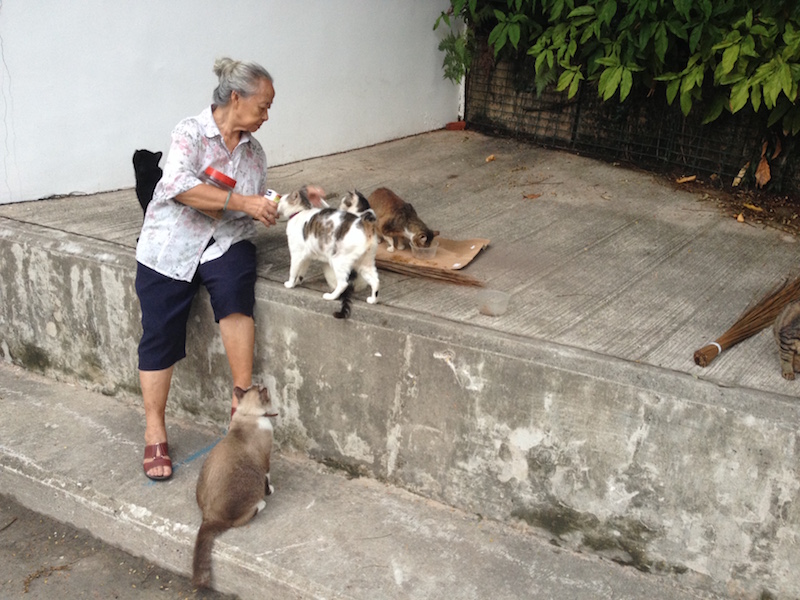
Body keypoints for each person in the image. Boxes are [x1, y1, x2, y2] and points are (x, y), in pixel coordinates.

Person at [135, 57, 324, 480]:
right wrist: (242, 203)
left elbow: (258, 201)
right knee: (160, 331)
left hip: (223, 240)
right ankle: (154, 430)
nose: (267, 115)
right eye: (264, 105)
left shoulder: (254, 154)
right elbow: (179, 187)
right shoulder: (191, 133)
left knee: (236, 292)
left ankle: (241, 400)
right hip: (172, 241)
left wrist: (292, 200)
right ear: (235, 97)